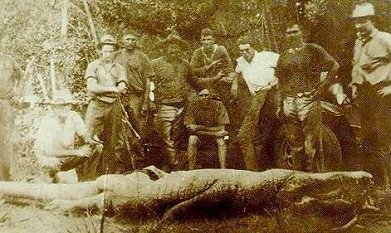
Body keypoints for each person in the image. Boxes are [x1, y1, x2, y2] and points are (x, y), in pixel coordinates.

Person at [275, 23, 339, 171]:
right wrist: (280, 104)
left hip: (308, 100)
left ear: (301, 32)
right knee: (295, 144)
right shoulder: (284, 56)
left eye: (295, 31)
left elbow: (334, 66)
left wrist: (322, 88)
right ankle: (300, 181)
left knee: (312, 144)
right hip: (289, 101)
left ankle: (316, 181)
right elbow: (280, 81)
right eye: (289, 33)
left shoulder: (313, 49)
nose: (292, 35)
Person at [84, 34, 142, 178]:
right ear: (100, 51)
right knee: (89, 138)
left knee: (114, 141)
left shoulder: (118, 68)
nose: (108, 54)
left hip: (114, 105)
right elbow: (92, 87)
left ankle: (110, 175)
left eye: (111, 51)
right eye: (105, 51)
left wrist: (121, 86)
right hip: (96, 105)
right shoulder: (93, 66)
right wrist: (113, 89)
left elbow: (122, 83)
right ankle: (88, 176)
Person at [350, 2, 391, 187]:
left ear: (372, 20)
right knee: (368, 139)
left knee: (385, 137)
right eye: (356, 21)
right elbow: (356, 65)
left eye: (363, 20)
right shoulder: (358, 41)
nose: (359, 25)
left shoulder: (385, 39)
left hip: (383, 93)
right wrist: (355, 85)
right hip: (365, 95)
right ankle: (377, 182)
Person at [232, 36, 280, 171]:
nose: (244, 53)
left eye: (247, 49)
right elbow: (236, 73)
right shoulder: (241, 62)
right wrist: (234, 84)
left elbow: (284, 65)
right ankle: (254, 171)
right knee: (249, 136)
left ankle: (256, 170)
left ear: (253, 47)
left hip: (271, 92)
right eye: (241, 51)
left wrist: (276, 78)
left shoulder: (266, 56)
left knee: (250, 134)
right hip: (257, 97)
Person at [34, 91, 98, 183]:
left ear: (70, 106)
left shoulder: (73, 116)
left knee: (97, 148)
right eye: (60, 106)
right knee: (51, 164)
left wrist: (90, 141)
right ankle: (51, 180)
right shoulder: (47, 121)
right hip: (52, 158)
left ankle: (86, 180)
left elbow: (84, 134)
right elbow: (48, 151)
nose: (64, 108)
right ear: (54, 108)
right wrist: (77, 152)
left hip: (68, 157)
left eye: (67, 105)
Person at [151, 33, 193, 172]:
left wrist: (206, 88)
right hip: (164, 105)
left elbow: (193, 81)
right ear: (165, 49)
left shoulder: (185, 64)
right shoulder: (155, 64)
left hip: (181, 105)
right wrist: (150, 101)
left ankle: (171, 166)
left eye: (176, 48)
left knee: (177, 137)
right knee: (165, 137)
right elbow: (149, 84)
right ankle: (173, 166)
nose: (173, 51)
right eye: (171, 48)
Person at [114, 32, 155, 138]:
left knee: (137, 127)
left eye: (133, 40)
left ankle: (138, 152)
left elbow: (148, 80)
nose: (130, 42)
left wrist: (146, 101)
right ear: (122, 41)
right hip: (120, 95)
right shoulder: (116, 56)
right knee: (120, 125)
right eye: (127, 39)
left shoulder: (142, 57)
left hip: (137, 97)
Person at [184, 89, 229, 169]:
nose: (204, 97)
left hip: (214, 136)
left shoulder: (219, 105)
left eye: (206, 95)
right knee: (192, 139)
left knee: (221, 141)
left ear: (211, 96)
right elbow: (191, 129)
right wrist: (214, 132)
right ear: (197, 96)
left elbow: (222, 128)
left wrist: (198, 127)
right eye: (201, 95)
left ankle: (223, 169)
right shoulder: (192, 106)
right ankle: (191, 170)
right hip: (201, 136)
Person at [190, 28, 236, 106]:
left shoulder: (221, 49)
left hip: (220, 82)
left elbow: (229, 68)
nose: (206, 42)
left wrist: (231, 80)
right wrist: (206, 67)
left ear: (213, 40)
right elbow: (192, 71)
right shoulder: (197, 52)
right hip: (205, 82)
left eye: (209, 39)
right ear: (201, 41)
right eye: (204, 40)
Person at [0, 53, 23, 181]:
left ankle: (5, 178)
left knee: (5, 140)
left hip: (5, 104)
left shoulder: (8, 60)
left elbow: (21, 76)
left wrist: (17, 92)